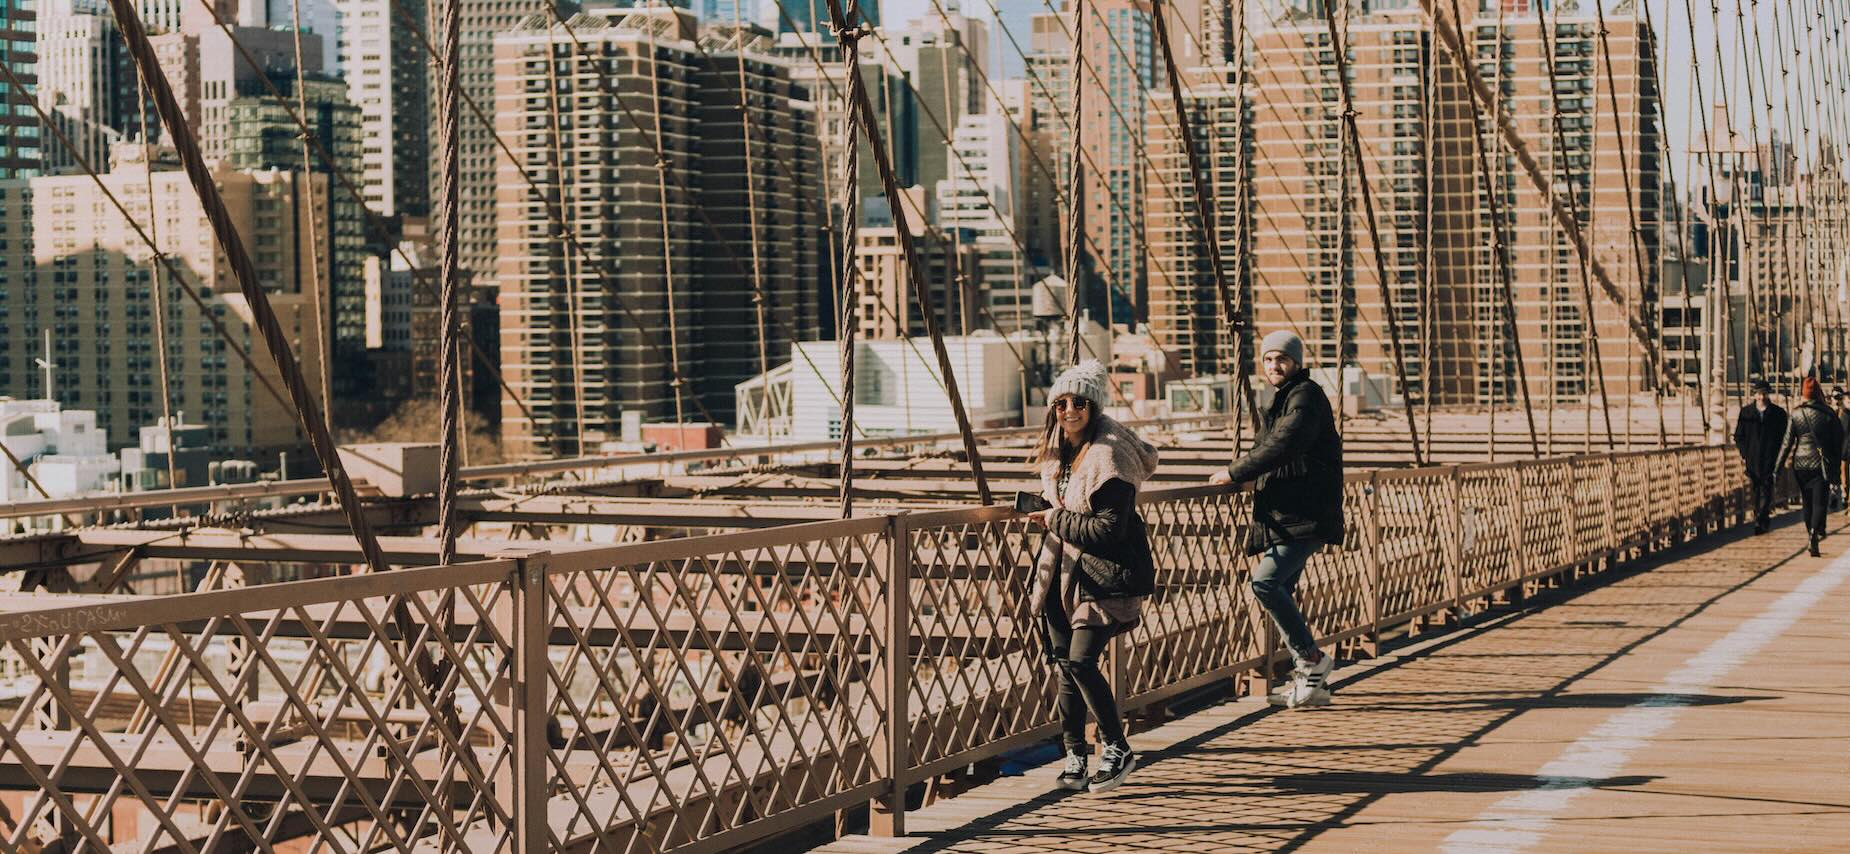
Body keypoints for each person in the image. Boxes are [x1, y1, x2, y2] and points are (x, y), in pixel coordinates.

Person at [1028, 359, 1159, 794]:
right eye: (1061, 403)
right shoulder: (1058, 451)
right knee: (1066, 668)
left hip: (1105, 575)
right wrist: (1043, 512)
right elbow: (1066, 507)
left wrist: (1051, 519)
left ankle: (1117, 748)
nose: (1069, 410)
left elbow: (1107, 528)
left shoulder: (1110, 455)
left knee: (1081, 661)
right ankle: (1075, 755)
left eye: (1079, 402)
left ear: (1094, 406)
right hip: (1062, 575)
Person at [1209, 330, 1344, 708]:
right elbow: (1271, 446)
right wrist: (1250, 471)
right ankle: (1312, 684)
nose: (1274, 365)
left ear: (1297, 362)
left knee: (1265, 583)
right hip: (1292, 512)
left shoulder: (1304, 397)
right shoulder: (1286, 398)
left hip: (1305, 513)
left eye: (1281, 359)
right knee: (1282, 589)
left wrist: (1235, 472)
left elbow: (1285, 443)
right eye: (1268, 359)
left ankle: (1312, 659)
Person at [1779, 376, 1842, 556]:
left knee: (1807, 502)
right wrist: (1835, 468)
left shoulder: (1796, 413)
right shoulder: (1829, 414)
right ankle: (1814, 535)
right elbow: (1838, 442)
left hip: (1800, 464)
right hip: (1821, 463)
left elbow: (1786, 443)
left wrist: (1777, 468)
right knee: (1819, 501)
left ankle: (1810, 534)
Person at [1735, 380, 1787, 534]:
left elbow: (1785, 437)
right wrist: (1744, 453)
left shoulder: (1778, 413)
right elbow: (1739, 436)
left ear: (1768, 394)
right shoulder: (1746, 413)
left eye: (1763, 393)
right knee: (1756, 489)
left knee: (1767, 488)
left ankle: (1760, 519)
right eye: (1758, 394)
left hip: (1771, 458)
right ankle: (1761, 516)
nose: (1761, 397)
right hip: (1752, 459)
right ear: (1754, 395)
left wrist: (1780, 456)